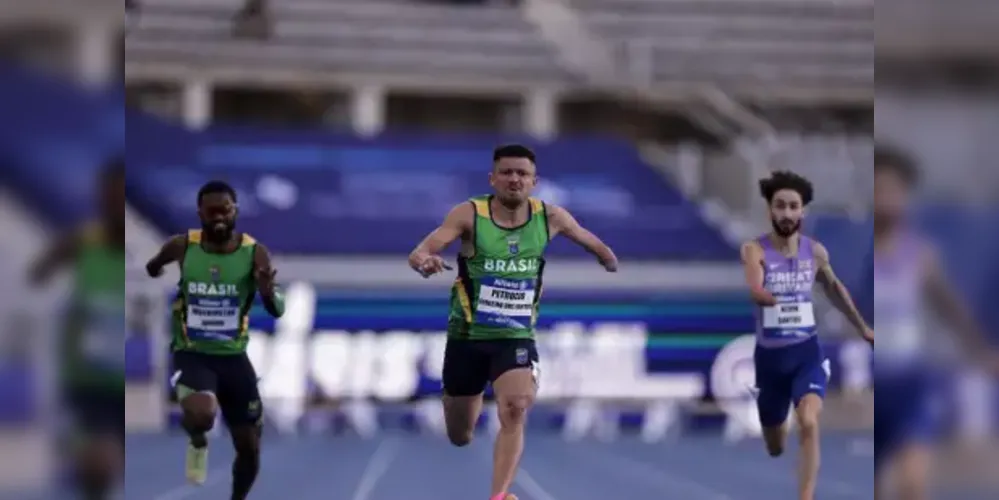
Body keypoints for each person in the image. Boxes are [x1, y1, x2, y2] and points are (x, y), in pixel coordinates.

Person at [408, 144, 618, 500]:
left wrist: (606, 259)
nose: (514, 179)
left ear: (534, 182)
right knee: (460, 435)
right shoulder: (469, 214)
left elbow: (589, 239)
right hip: (467, 337)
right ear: (493, 178)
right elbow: (420, 252)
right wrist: (425, 263)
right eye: (506, 172)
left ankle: (499, 496)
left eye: (522, 173)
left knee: (516, 406)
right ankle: (458, 409)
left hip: (516, 336)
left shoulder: (550, 218)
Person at [145, 180, 284, 500]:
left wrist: (266, 292)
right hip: (192, 353)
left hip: (234, 357)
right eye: (211, 211)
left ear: (235, 211)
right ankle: (197, 441)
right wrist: (154, 270)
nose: (219, 217)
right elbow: (153, 266)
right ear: (200, 213)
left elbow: (277, 309)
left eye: (225, 210)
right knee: (203, 413)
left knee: (249, 448)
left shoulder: (254, 252)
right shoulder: (182, 246)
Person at [739, 171, 873, 500]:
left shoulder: (815, 253)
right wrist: (768, 296)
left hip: (805, 354)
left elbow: (835, 290)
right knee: (775, 445)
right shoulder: (754, 249)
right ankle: (773, 417)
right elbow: (755, 286)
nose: (786, 213)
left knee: (810, 422)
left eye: (793, 206)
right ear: (770, 210)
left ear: (803, 211)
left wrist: (862, 327)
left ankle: (806, 496)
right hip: (770, 360)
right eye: (780, 206)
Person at [872, 145, 993, 500]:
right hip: (875, 385)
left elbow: (950, 307)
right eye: (880, 191)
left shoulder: (922, 255)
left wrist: (980, 350)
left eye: (896, 191)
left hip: (911, 384)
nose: (889, 200)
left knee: (913, 484)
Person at [30, 158, 125, 500]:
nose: (114, 204)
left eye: (121, 196)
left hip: (124, 378)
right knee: (97, 466)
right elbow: (37, 276)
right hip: (88, 379)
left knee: (115, 465)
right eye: (108, 196)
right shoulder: (84, 241)